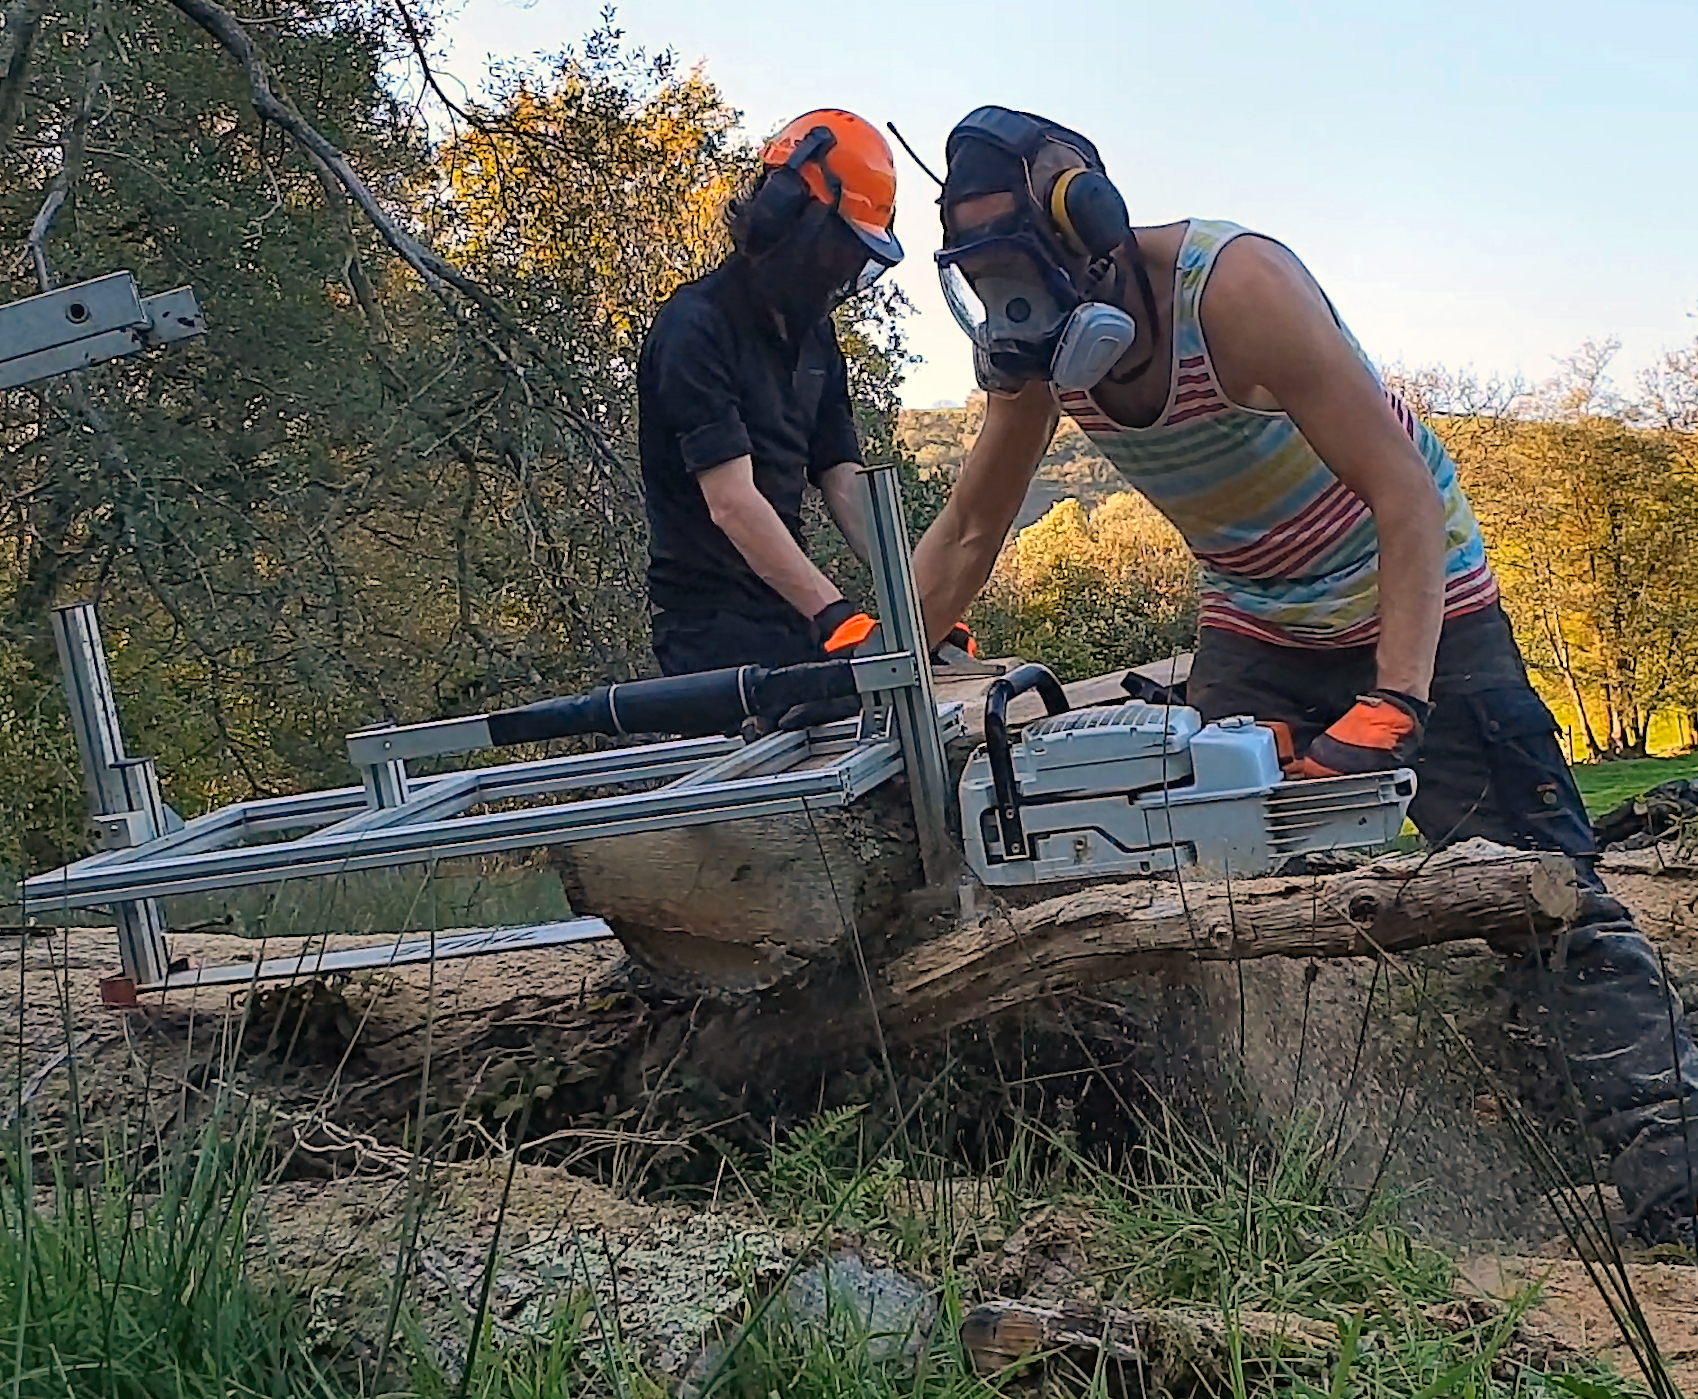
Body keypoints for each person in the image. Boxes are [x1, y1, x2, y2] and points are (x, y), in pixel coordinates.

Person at [911, 104, 1698, 1246]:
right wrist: (867, 682)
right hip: (1257, 619)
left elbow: (1403, 493)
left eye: (1017, 269)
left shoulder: (1236, 289)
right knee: (1205, 889)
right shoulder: (1035, 356)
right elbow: (973, 529)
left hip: (1418, 592)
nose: (1007, 307)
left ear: (1090, 224)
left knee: (1540, 884)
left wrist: (1398, 698)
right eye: (981, 280)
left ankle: (1674, 1162)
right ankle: (1264, 1180)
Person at [637, 108, 901, 678]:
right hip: (711, 642)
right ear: (790, 218)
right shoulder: (696, 326)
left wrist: (919, 594)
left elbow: (842, 476)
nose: (846, 270)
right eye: (841, 248)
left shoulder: (816, 337)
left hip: (791, 621)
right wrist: (835, 615)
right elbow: (732, 501)